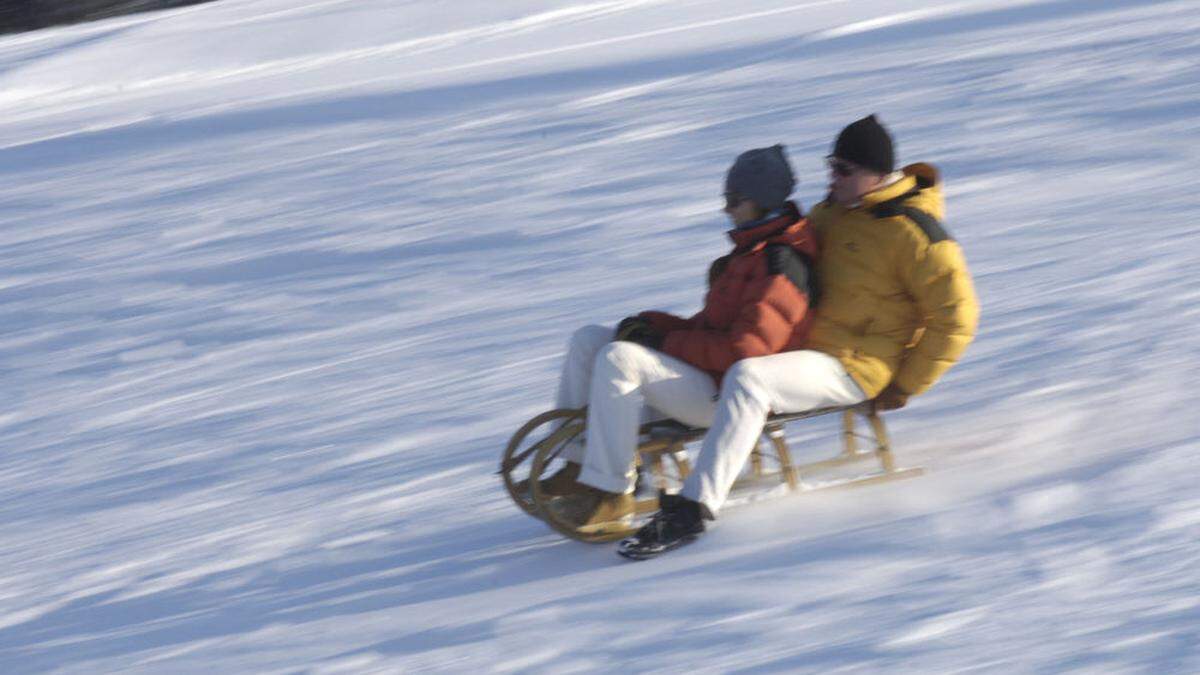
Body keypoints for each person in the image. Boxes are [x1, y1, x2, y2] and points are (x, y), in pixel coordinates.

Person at [618, 115, 980, 559]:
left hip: (858, 366)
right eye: (831, 166)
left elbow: (957, 319)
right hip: (808, 354)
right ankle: (603, 472)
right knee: (718, 365)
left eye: (845, 171)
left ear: (878, 174)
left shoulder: (917, 235)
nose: (833, 178)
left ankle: (694, 509)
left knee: (750, 376)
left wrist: (907, 383)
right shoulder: (831, 214)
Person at [531, 145, 820, 534]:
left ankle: (610, 493)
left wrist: (662, 344)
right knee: (591, 340)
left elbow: (745, 350)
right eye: (726, 199)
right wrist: (654, 326)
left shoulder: (780, 263)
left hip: (730, 396)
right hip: (710, 377)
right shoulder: (750, 252)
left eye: (735, 200)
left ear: (762, 201)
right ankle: (579, 464)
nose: (727, 209)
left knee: (620, 359)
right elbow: (709, 327)